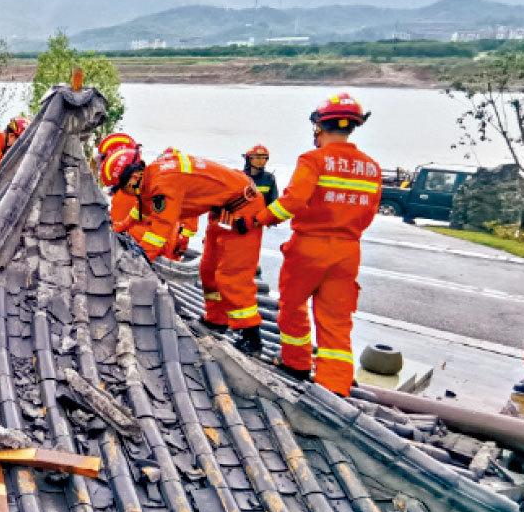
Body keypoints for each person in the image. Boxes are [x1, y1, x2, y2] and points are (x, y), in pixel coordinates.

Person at [255, 93, 382, 395]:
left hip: (310, 247)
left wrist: (258, 218)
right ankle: (334, 387)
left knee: (292, 306)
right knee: (336, 320)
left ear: (318, 127)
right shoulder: (371, 168)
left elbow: (292, 202)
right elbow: (369, 212)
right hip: (348, 249)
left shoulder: (313, 160)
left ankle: (296, 364)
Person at [99, 140, 266, 356]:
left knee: (232, 276)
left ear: (132, 178)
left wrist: (136, 260)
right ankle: (217, 320)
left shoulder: (163, 184)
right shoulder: (152, 178)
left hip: (244, 209)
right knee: (208, 270)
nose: (124, 192)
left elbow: (160, 231)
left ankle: (251, 337)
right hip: (224, 209)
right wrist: (120, 227)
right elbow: (143, 211)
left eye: (122, 187)